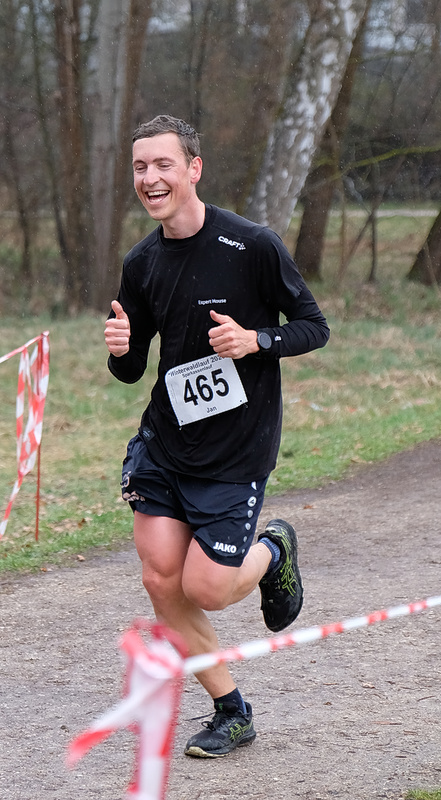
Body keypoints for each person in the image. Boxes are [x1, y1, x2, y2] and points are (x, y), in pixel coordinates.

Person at [104, 115, 330, 759]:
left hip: (236, 451)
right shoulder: (142, 262)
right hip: (165, 445)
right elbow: (131, 369)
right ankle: (231, 711)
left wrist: (256, 340)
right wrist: (119, 349)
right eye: (141, 167)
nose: (150, 179)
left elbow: (313, 326)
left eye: (163, 165)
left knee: (206, 589)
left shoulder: (251, 246)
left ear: (193, 169)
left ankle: (273, 552)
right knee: (161, 582)